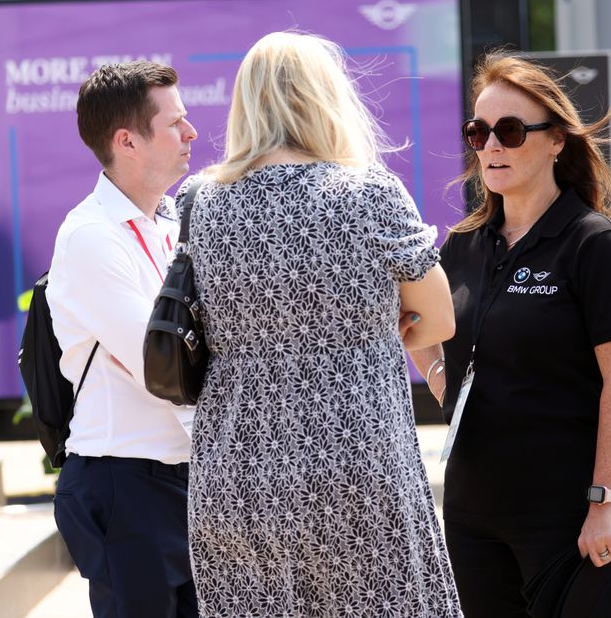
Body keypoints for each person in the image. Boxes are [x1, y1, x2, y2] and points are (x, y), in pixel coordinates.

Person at [180, 31, 462, 616]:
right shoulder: (370, 193)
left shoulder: (197, 202)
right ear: (326, 98)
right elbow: (438, 319)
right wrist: (370, 331)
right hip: (357, 459)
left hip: (237, 470)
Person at [409, 51, 611, 616]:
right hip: (472, 512)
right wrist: (443, 380)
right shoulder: (463, 245)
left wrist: (604, 503)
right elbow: (420, 329)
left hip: (564, 510)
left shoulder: (595, 244)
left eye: (511, 131)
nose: (492, 145)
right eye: (479, 131)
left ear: (555, 141)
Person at [46, 61, 200, 617]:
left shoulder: (172, 222)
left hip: (183, 477)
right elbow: (164, 369)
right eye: (174, 123)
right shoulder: (90, 236)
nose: (191, 132)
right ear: (127, 141)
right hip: (125, 483)